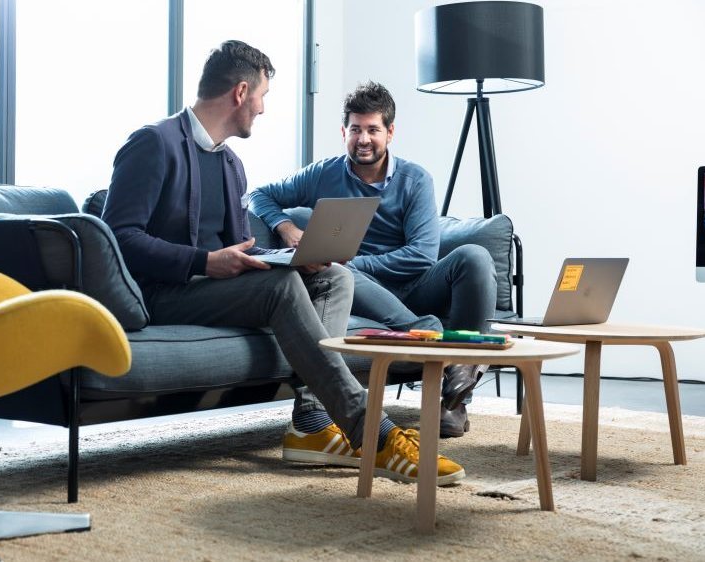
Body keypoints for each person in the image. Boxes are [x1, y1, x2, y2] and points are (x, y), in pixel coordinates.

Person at [103, 42, 464, 484]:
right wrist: (204, 261)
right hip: (162, 295)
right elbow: (118, 239)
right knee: (280, 290)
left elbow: (241, 249)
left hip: (212, 291)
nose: (263, 108)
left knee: (332, 278)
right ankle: (374, 432)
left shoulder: (232, 164)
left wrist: (288, 260)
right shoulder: (154, 143)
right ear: (240, 93)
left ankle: (311, 420)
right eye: (262, 96)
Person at [248, 81, 497, 438]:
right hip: (360, 289)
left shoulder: (414, 179)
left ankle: (455, 401)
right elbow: (258, 194)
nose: (363, 139)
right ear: (344, 131)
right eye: (355, 130)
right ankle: (439, 342)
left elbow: (422, 255)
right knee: (335, 270)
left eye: (373, 130)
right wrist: (285, 226)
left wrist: (354, 263)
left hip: (413, 285)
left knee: (474, 257)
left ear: (390, 132)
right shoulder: (324, 173)